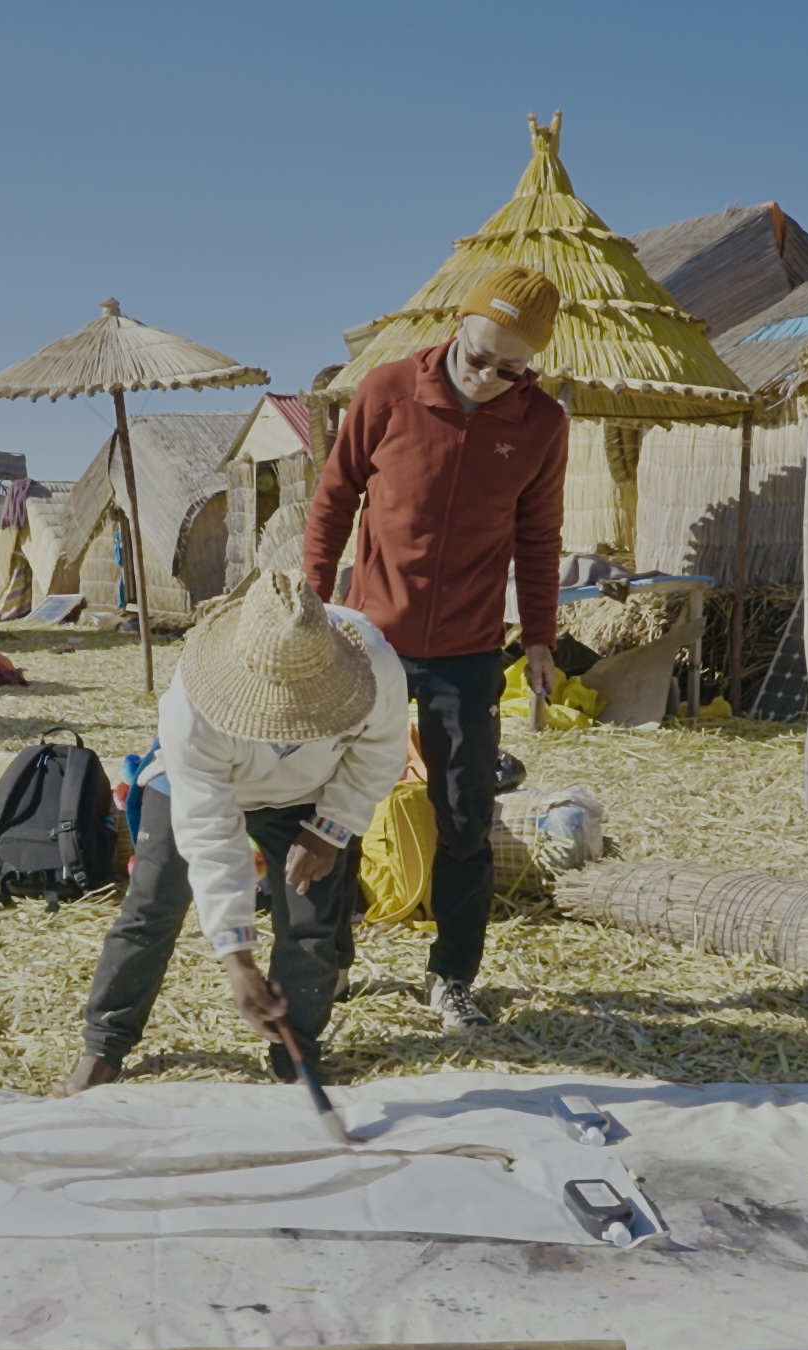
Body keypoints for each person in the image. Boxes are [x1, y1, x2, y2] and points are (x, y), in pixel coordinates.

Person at [300, 266, 568, 1030]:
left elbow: (538, 539)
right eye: (478, 356)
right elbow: (335, 497)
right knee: (338, 806)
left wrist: (540, 638)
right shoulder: (387, 391)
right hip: (367, 642)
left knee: (464, 816)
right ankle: (329, 961)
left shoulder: (542, 425)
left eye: (510, 369)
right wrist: (312, 600)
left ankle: (452, 976)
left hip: (469, 651)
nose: (488, 377)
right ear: (458, 325)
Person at [55, 571, 407, 1097]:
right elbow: (210, 832)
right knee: (152, 905)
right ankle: (104, 1046)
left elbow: (381, 752)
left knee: (310, 924)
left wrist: (331, 828)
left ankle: (296, 1056)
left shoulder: (373, 663)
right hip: (201, 787)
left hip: (309, 796)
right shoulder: (194, 703)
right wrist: (236, 956)